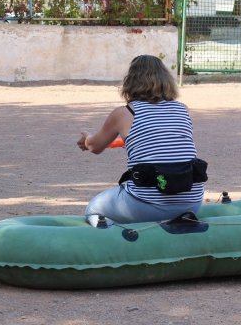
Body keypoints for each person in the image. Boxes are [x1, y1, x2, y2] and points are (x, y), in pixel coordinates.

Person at [76, 55, 206, 226]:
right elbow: (165, 142)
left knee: (93, 208)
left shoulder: (124, 113)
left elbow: (95, 146)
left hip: (145, 204)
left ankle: (114, 235)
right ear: (166, 80)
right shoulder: (183, 109)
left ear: (130, 81)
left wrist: (87, 138)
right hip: (192, 202)